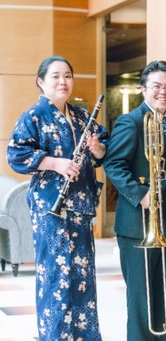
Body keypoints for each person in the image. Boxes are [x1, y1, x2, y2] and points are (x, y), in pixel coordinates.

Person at [7, 56, 108, 340]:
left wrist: (97, 148)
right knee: (56, 275)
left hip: (80, 206)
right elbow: (16, 154)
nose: (63, 81)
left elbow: (103, 151)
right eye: (55, 76)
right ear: (41, 82)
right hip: (50, 207)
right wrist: (55, 163)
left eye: (67, 76)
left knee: (83, 275)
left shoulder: (82, 117)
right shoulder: (33, 116)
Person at [103, 60, 166, 341]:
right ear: (143, 89)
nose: (163, 92)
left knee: (163, 296)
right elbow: (114, 164)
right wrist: (140, 194)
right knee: (141, 300)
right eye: (156, 86)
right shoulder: (131, 121)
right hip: (138, 225)